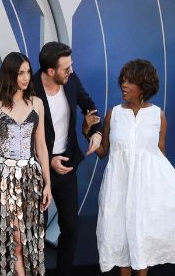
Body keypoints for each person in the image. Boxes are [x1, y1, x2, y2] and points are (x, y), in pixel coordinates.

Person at [95, 59, 175, 275]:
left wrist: (166, 191)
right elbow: (103, 151)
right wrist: (88, 132)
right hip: (118, 189)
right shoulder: (113, 114)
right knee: (119, 236)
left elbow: (160, 155)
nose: (123, 85)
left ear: (143, 86)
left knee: (143, 238)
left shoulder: (157, 116)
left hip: (146, 190)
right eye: (122, 80)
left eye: (129, 81)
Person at [31, 42, 102, 276]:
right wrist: (49, 160)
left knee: (70, 228)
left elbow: (89, 106)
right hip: (38, 169)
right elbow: (22, 133)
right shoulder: (30, 88)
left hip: (68, 166)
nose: (71, 71)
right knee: (36, 230)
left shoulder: (70, 80)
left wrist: (96, 132)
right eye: (66, 68)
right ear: (51, 71)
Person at [0, 52, 52, 276]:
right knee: (15, 239)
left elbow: (41, 147)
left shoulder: (37, 103)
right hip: (4, 180)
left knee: (28, 239)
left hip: (31, 179)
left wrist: (47, 184)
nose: (25, 77)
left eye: (28, 72)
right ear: (9, 74)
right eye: (20, 73)